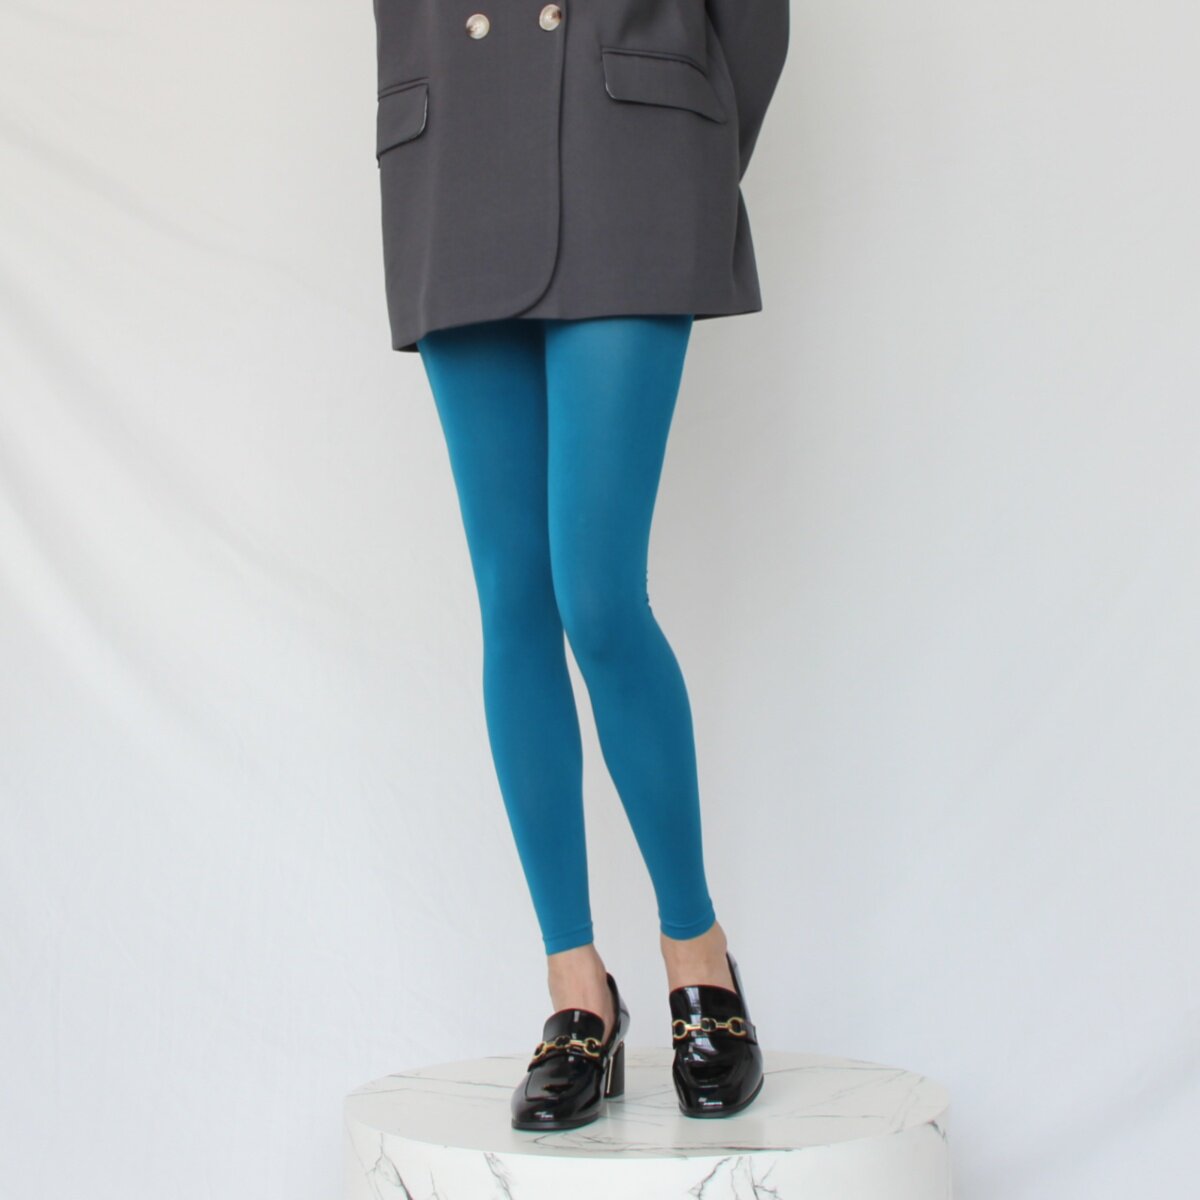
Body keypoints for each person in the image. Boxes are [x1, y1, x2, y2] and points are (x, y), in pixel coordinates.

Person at [370, 0, 789, 1130]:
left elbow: (754, 21)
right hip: (454, 156)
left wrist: (683, 141)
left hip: (631, 150)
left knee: (597, 594)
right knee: (514, 597)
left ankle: (698, 953)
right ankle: (576, 991)